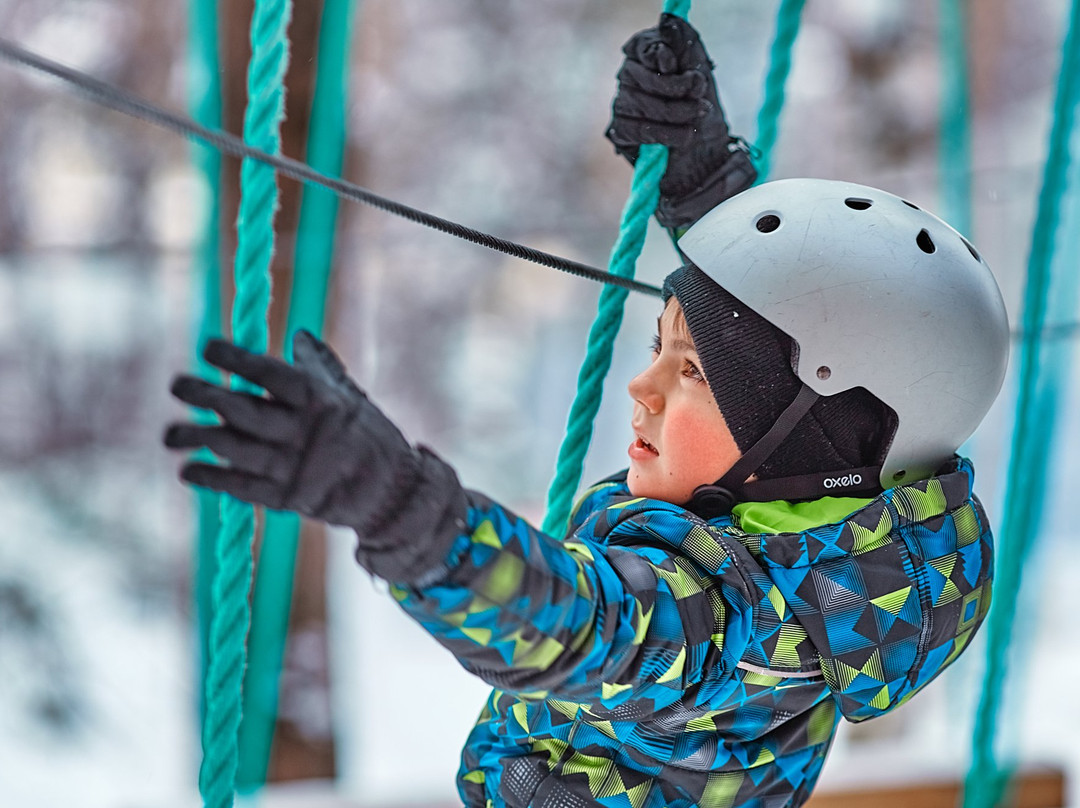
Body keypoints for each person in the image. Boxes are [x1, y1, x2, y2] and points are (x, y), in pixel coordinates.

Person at [164, 14, 1010, 808]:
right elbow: (791, 353)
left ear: (819, 440)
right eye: (659, 351)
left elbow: (581, 624)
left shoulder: (741, 629)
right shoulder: (848, 557)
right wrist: (712, 196)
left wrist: (401, 508)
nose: (642, 391)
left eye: (695, 375)